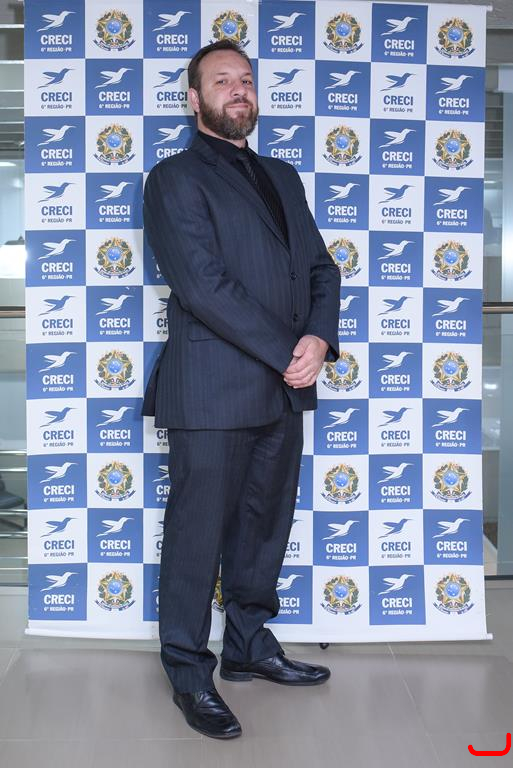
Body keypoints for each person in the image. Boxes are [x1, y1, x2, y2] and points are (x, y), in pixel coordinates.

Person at [142, 39, 340, 740]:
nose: (238, 89)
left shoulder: (281, 175)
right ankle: (188, 673)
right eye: (222, 80)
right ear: (193, 99)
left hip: (283, 387)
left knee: (264, 526)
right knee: (197, 537)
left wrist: (319, 338)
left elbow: (319, 268)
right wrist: (290, 351)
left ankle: (249, 646)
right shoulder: (173, 178)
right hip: (211, 389)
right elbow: (203, 287)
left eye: (247, 79)